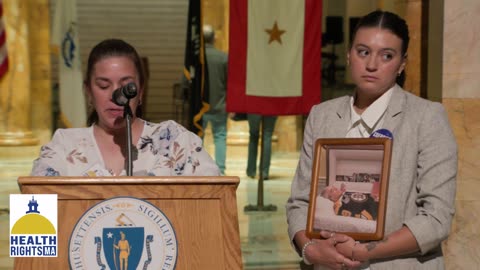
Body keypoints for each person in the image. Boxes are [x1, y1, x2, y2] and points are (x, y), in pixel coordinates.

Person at [286, 10, 457, 269]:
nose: (372, 64)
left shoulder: (426, 117)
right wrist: (311, 250)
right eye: (363, 52)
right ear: (349, 54)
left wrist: (362, 251)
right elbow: (299, 202)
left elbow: (436, 217)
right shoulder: (322, 115)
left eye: (387, 55)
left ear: (401, 64)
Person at [31, 39, 220, 177]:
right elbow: (31, 224)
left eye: (126, 86)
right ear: (88, 91)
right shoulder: (63, 146)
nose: (116, 96)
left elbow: (215, 200)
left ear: (141, 91)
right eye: (103, 86)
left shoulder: (174, 141)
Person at [202, 25, 229, 175]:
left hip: (200, 107)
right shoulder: (223, 57)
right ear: (214, 38)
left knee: (198, 138)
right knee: (220, 137)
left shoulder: (197, 58)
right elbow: (229, 82)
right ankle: (221, 170)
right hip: (220, 104)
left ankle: (199, 168)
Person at [246, 114, 277, 180]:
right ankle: (264, 172)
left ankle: (251, 171)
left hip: (254, 106)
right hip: (272, 106)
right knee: (267, 136)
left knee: (253, 136)